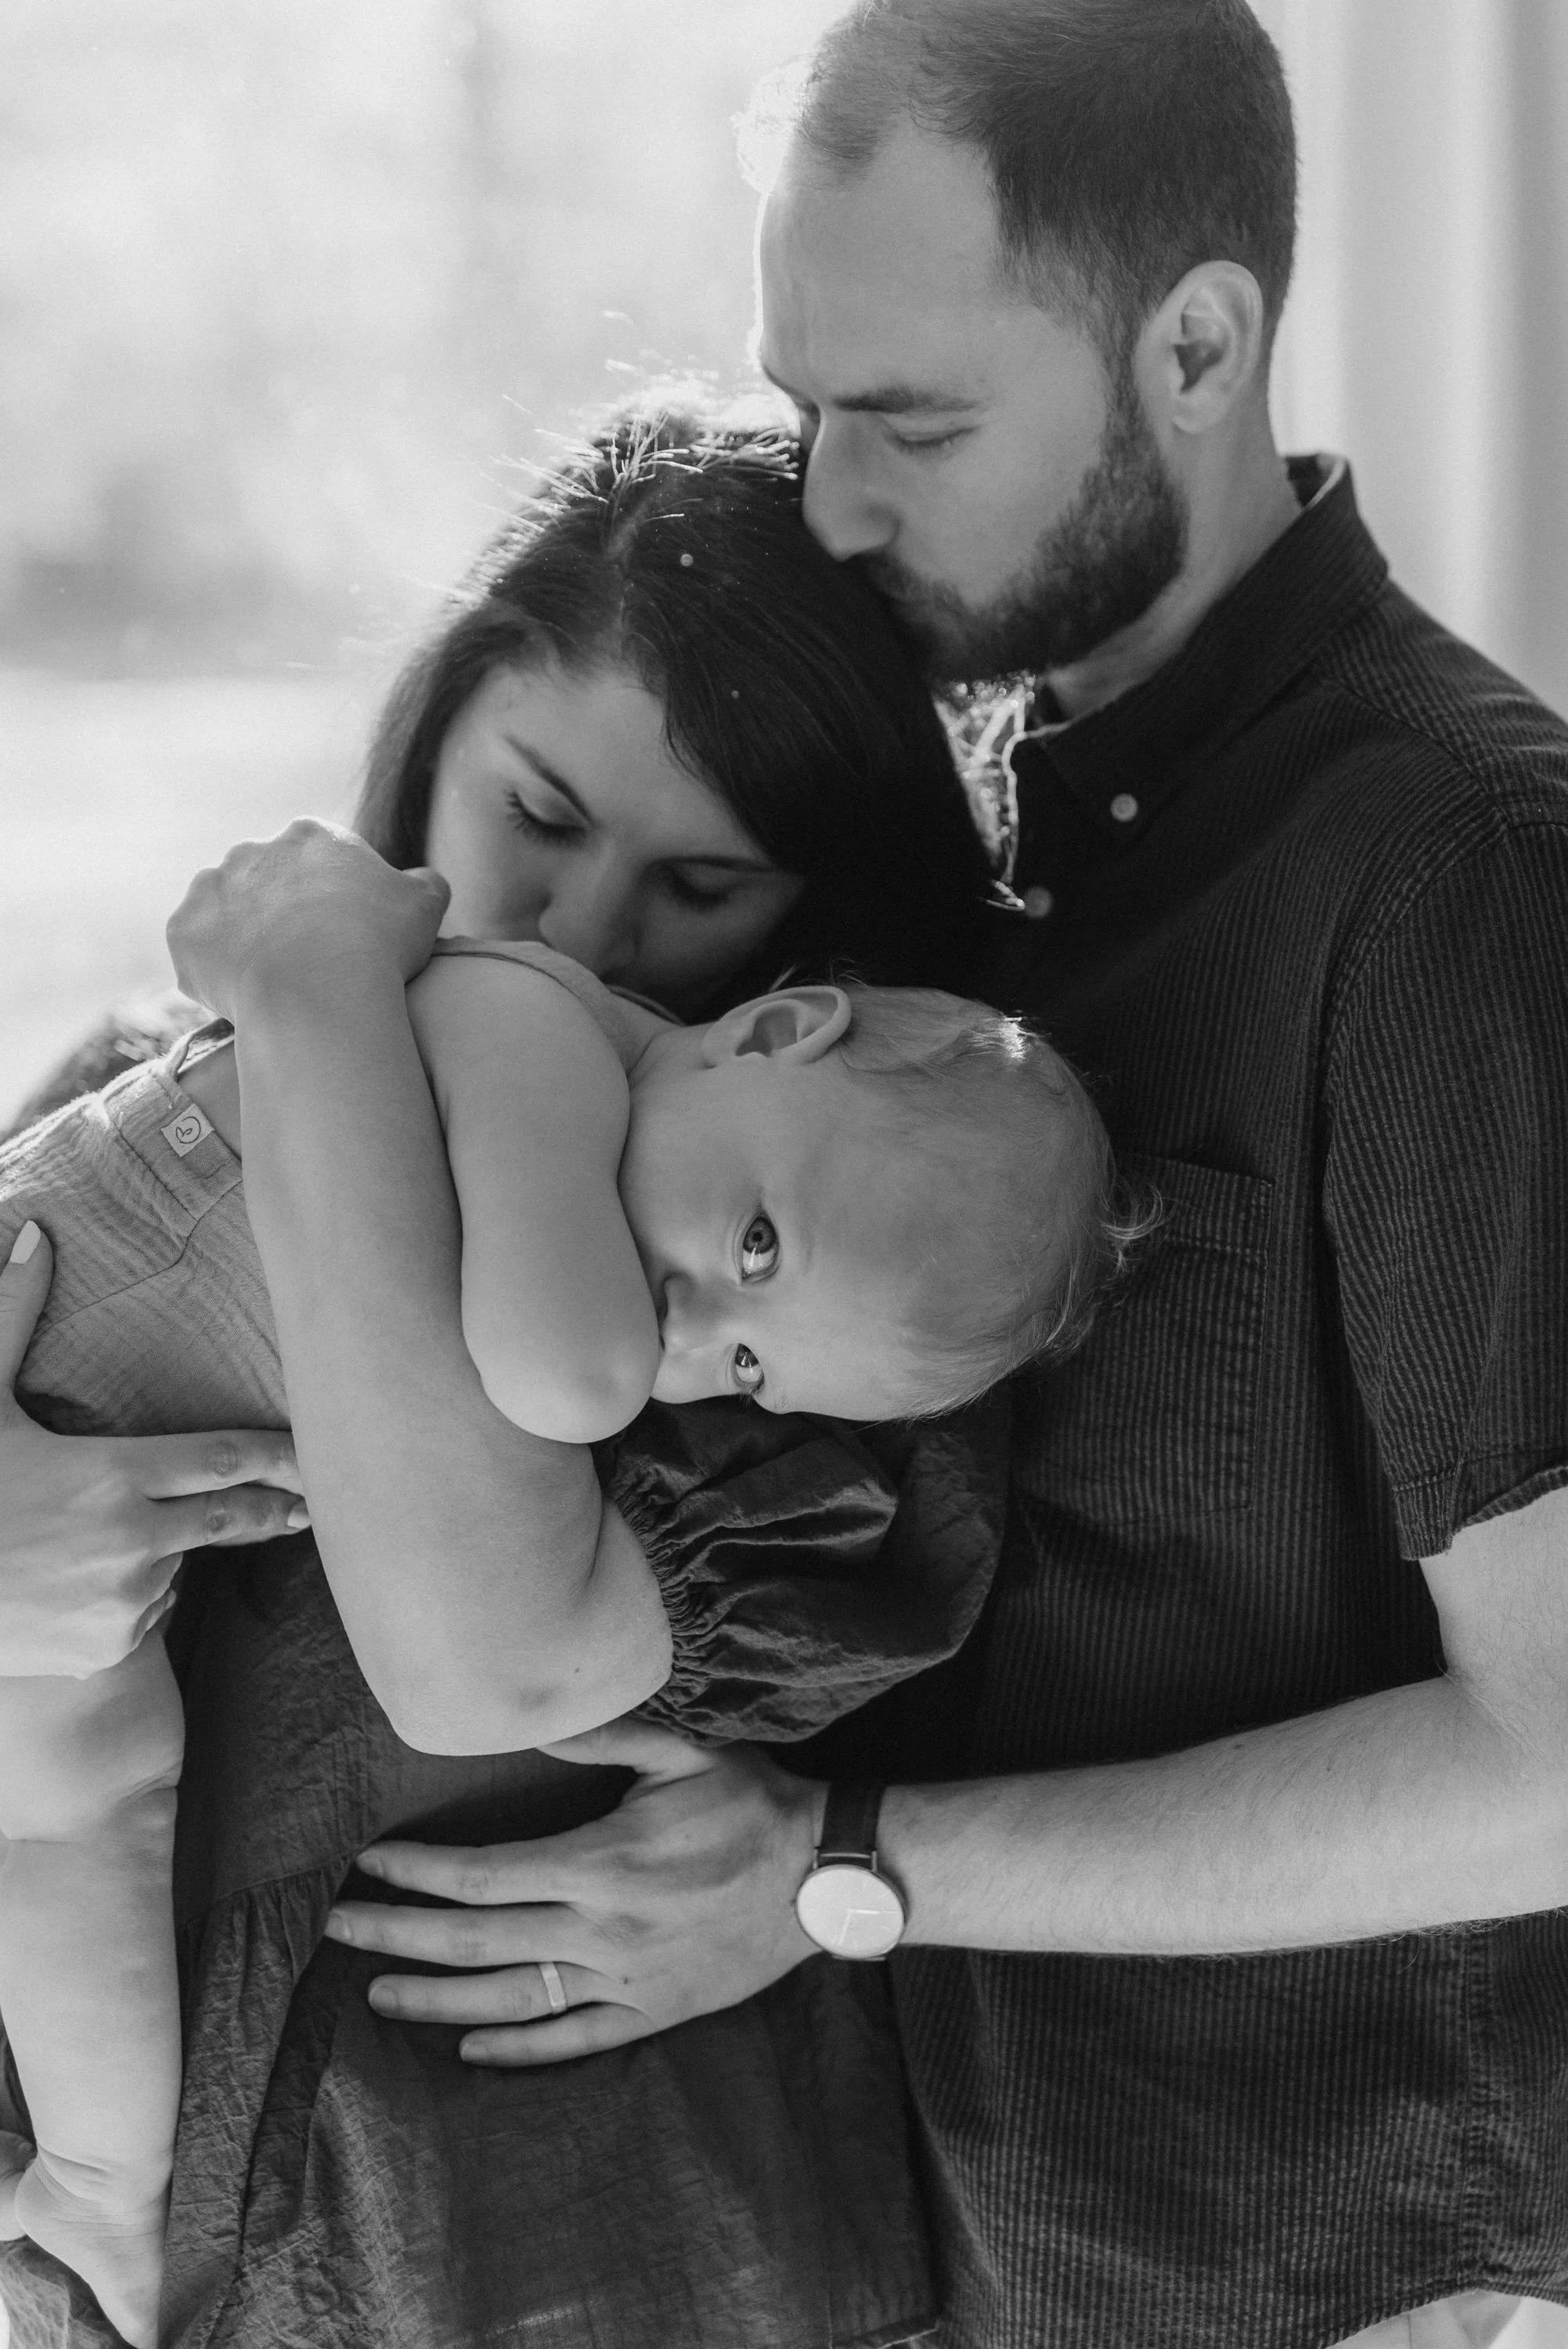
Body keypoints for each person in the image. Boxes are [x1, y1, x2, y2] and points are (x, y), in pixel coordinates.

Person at [280, 6, 1568, 2347]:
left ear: (1197, 340)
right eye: (804, 409)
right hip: (920, 2242)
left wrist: (851, 1879)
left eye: (913, 421)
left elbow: (1556, 1756)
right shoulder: (956, 844)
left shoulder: (1459, 867)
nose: (833, 504)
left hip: (1303, 2273)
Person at [0, 409, 1029, 2348]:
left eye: (700, 890)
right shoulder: (148, 1093)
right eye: (536, 818)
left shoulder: (811, 1328)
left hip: (554, 2250)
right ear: (435, 733)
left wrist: (320, 1022)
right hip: (120, 2239)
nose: (576, 933)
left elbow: (488, 1660)